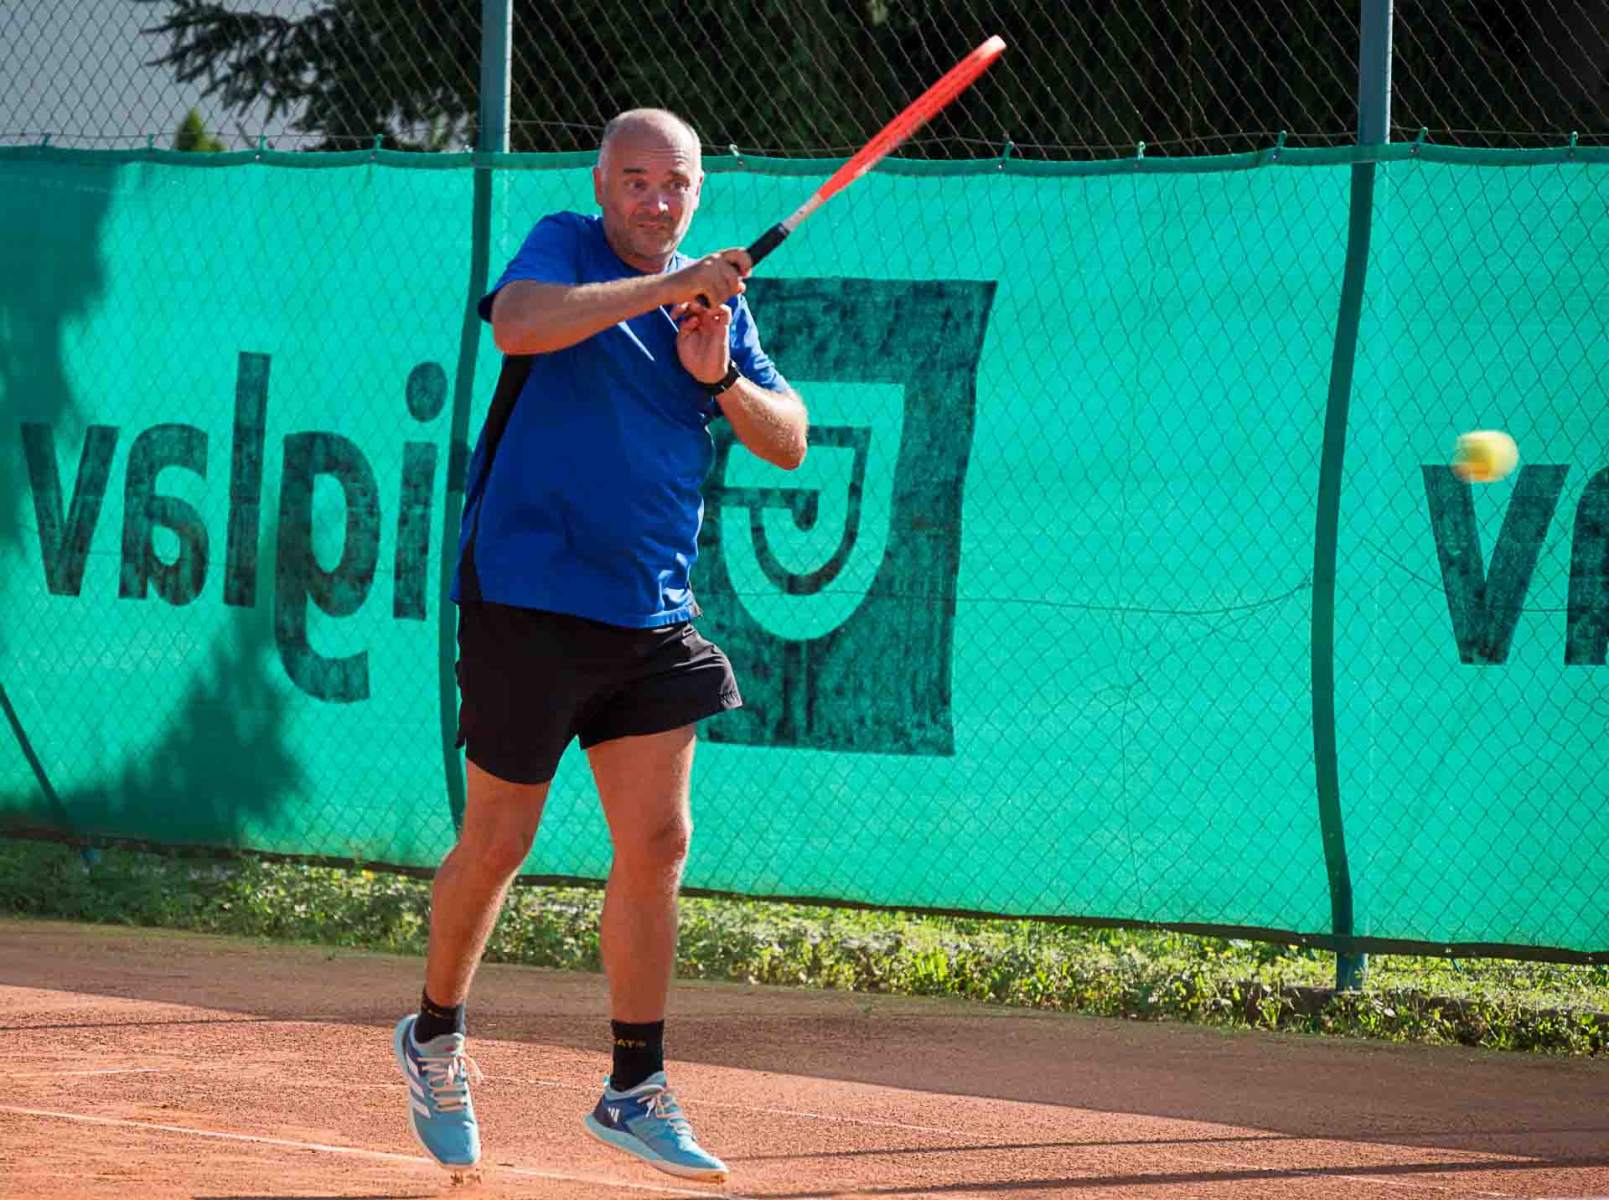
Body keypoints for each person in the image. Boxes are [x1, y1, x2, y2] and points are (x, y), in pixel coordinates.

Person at [391, 108, 807, 1184]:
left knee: (660, 840)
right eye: (635, 181)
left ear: (697, 192)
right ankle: (433, 1034)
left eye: (674, 185)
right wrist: (662, 291)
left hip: (653, 614)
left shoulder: (714, 305)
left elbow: (790, 440)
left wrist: (718, 375)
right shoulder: (563, 246)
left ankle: (633, 1086)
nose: (655, 201)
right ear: (601, 182)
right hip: (526, 595)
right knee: (498, 843)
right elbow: (518, 325)